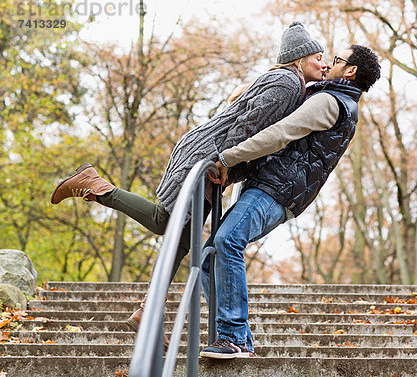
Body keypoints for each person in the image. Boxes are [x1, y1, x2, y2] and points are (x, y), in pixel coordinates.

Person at [49, 21, 326, 340]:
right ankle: (96, 185)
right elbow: (249, 126)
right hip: (205, 156)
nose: (322, 62)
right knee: (164, 221)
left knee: (182, 240)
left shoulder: (292, 84)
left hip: (213, 160)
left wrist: (229, 169)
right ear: (299, 58)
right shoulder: (286, 82)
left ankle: (147, 312)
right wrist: (224, 161)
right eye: (317, 56)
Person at [197, 44, 381, 358]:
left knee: (227, 241)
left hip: (275, 191)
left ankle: (231, 338)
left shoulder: (330, 101)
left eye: (337, 60)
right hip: (274, 188)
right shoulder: (331, 97)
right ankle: (240, 340)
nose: (330, 64)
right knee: (207, 261)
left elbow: (281, 133)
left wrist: (227, 158)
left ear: (350, 71)